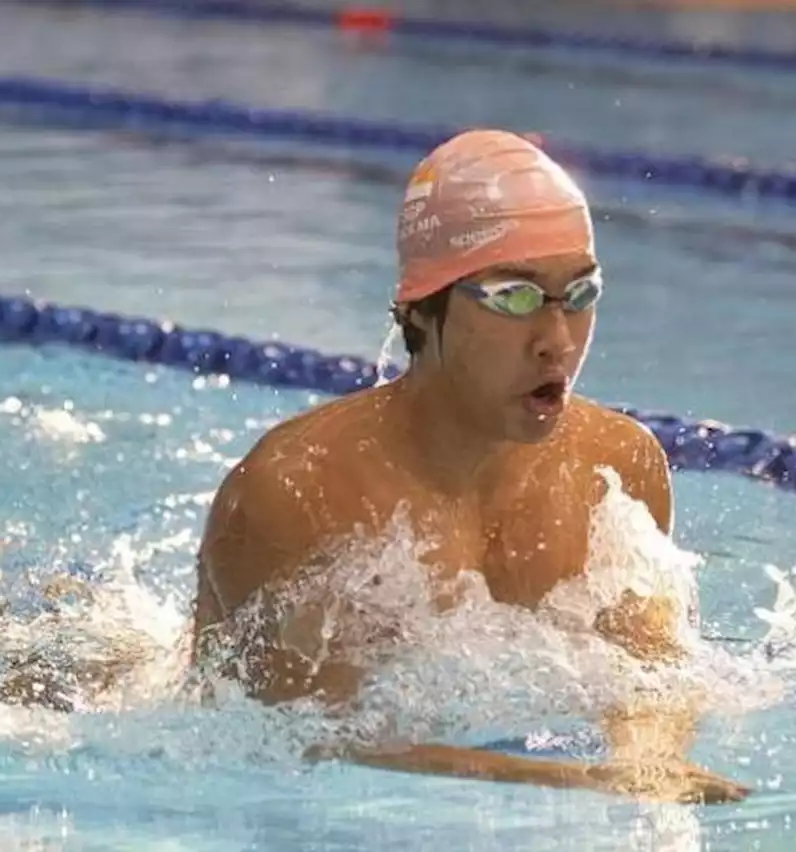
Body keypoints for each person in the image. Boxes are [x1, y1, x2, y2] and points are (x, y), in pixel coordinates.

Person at [192, 128, 750, 804]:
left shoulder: (617, 469)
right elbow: (306, 743)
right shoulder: (299, 492)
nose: (557, 339)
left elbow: (654, 673)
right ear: (422, 310)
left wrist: (650, 762)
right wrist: (573, 784)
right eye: (513, 296)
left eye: (579, 294)